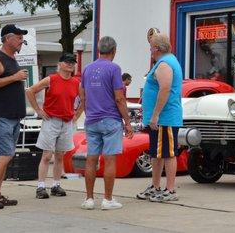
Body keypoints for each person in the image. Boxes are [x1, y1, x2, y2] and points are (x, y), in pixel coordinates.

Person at [77, 36, 133, 210]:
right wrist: (127, 122)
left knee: (91, 159)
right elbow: (119, 98)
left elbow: (82, 94)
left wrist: (88, 113)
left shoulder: (87, 69)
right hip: (110, 119)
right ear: (114, 50)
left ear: (99, 50)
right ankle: (107, 199)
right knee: (109, 160)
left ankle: (89, 199)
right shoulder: (114, 69)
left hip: (92, 119)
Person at [0, 24, 29, 210]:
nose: (21, 41)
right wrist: (15, 77)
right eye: (18, 37)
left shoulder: (12, 59)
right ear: (8, 39)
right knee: (5, 155)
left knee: (5, 156)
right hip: (0, 116)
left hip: (13, 116)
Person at [136, 33, 183, 203]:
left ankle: (170, 190)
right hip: (158, 120)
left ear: (156, 48)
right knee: (156, 154)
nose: (149, 50)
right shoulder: (164, 62)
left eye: (150, 47)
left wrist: (155, 115)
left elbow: (165, 89)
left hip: (165, 118)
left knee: (169, 154)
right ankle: (155, 186)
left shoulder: (165, 64)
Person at [26, 53, 80, 199]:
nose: (70, 64)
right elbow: (30, 90)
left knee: (60, 155)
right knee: (47, 155)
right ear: (60, 64)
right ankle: (41, 186)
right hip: (51, 120)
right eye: (67, 62)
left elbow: (84, 98)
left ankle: (56, 185)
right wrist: (38, 110)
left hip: (67, 122)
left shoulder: (76, 82)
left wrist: (77, 114)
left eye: (72, 62)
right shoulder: (51, 79)